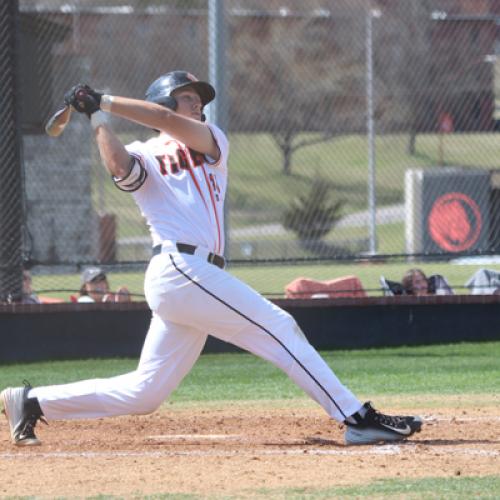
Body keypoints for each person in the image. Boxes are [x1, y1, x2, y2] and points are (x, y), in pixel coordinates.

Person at [1, 71, 422, 447]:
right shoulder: (144, 151)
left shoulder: (211, 140)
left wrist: (104, 99)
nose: (199, 103)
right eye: (188, 97)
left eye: (200, 99)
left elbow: (166, 122)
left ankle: (32, 402)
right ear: (163, 100)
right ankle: (355, 417)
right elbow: (119, 167)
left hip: (192, 276)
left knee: (145, 393)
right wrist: (96, 117)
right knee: (279, 326)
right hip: (179, 268)